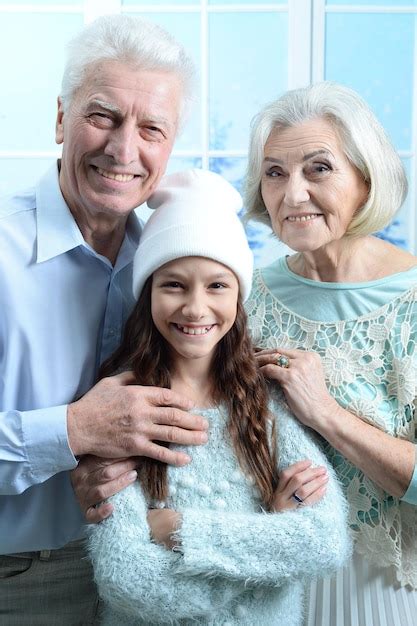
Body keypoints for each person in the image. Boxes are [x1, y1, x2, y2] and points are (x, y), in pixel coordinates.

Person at [0, 15, 209, 625]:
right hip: (16, 578)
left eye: (152, 128)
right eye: (103, 117)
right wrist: (72, 431)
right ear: (61, 118)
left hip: (144, 572)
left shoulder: (172, 271)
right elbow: (86, 430)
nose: (124, 150)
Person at [87, 168, 350, 626]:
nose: (195, 307)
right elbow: (128, 580)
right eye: (173, 284)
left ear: (238, 297)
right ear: (148, 292)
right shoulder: (123, 409)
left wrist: (182, 531)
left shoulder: (267, 401)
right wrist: (269, 538)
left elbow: (325, 540)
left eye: (216, 285)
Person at [244, 81, 417, 625]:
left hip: (383, 590)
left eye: (318, 168)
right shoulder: (240, 296)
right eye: (275, 173)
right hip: (268, 580)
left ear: (366, 180)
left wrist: (325, 414)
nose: (293, 194)